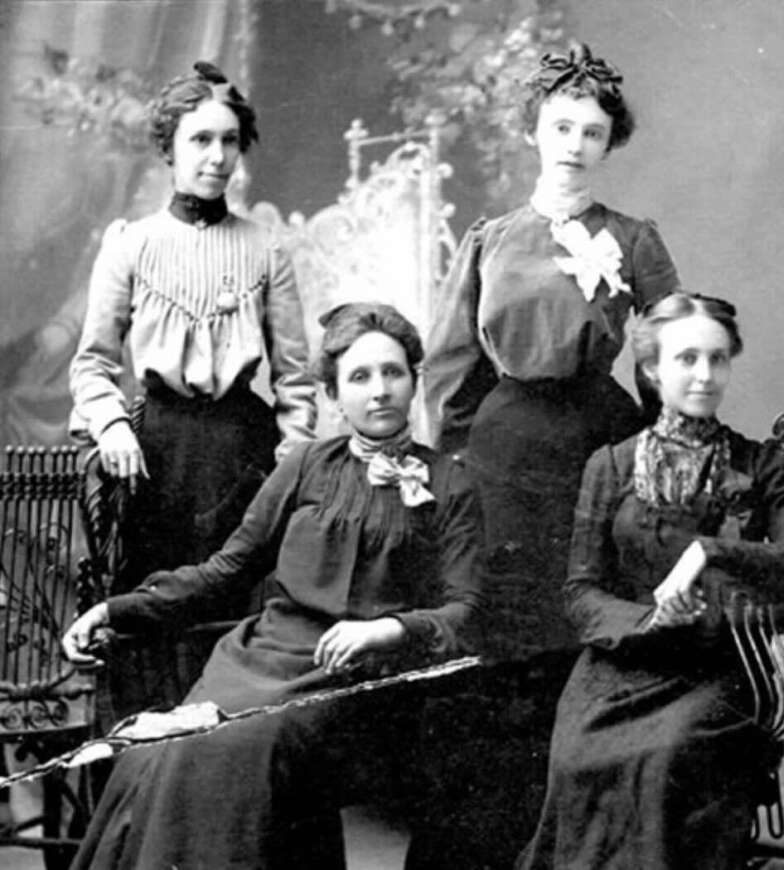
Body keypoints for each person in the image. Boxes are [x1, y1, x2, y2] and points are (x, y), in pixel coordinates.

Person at [61, 302, 483, 870]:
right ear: (334, 395)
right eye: (359, 377)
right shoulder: (306, 465)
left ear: (414, 380)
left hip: (356, 678)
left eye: (393, 372)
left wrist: (387, 629)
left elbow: (467, 611)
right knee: (158, 747)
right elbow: (225, 571)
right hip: (260, 656)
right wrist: (115, 611)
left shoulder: (451, 484)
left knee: (232, 748)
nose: (379, 390)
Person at [417, 41, 681, 867]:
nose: (574, 144)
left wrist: (662, 451)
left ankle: (574, 833)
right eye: (560, 126)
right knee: (501, 631)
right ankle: (487, 835)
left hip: (595, 441)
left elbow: (670, 351)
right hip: (501, 445)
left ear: (610, 144)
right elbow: (451, 362)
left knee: (583, 619)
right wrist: (451, 463)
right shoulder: (491, 237)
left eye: (593, 132)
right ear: (534, 131)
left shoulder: (634, 239)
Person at [517, 293, 784, 869]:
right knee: (576, 758)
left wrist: (709, 551)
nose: (705, 375)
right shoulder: (610, 466)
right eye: (687, 359)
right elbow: (580, 590)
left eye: (718, 360)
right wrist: (647, 619)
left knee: (666, 760)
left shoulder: (761, 464)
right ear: (652, 370)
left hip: (718, 665)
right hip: (620, 666)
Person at [69, 59, 316, 603]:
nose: (217, 156)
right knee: (154, 604)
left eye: (229, 140)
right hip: (155, 455)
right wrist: (111, 426)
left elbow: (296, 379)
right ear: (169, 147)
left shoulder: (266, 247)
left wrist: (292, 461)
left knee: (236, 601)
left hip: (243, 451)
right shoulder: (130, 244)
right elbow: (91, 364)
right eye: (200, 139)